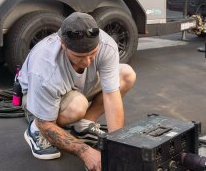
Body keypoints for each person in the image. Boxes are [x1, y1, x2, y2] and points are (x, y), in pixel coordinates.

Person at [18, 12, 136, 171]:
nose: (87, 62)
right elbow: (47, 124)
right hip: (36, 96)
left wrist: (118, 147)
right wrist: (85, 152)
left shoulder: (107, 45)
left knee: (127, 74)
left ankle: (84, 125)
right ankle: (34, 130)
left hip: (78, 86)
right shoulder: (44, 67)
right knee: (76, 106)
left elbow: (111, 95)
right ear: (63, 45)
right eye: (79, 56)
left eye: (92, 54)